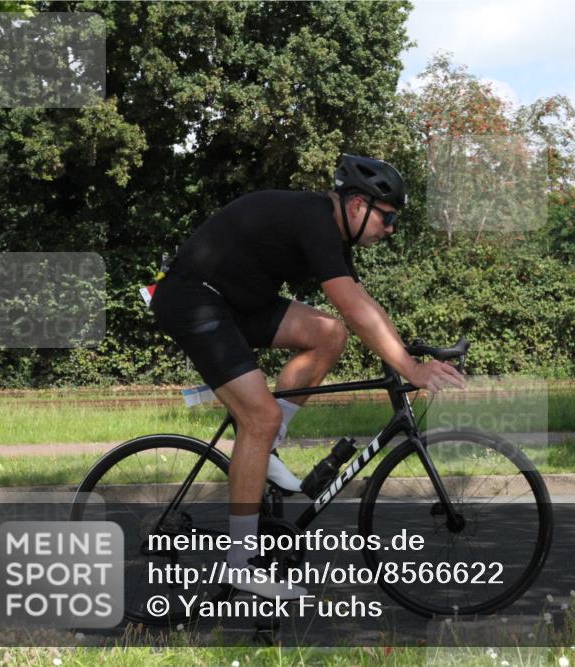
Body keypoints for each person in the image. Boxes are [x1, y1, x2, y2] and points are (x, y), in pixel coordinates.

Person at [150, 155, 465, 599]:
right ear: (358, 205)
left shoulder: (330, 233)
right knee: (257, 418)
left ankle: (268, 446)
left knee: (327, 334)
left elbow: (361, 306)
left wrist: (406, 349)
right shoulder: (315, 219)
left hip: (236, 301)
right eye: (388, 217)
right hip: (194, 300)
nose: (391, 229)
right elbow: (356, 310)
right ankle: (241, 565)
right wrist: (410, 369)